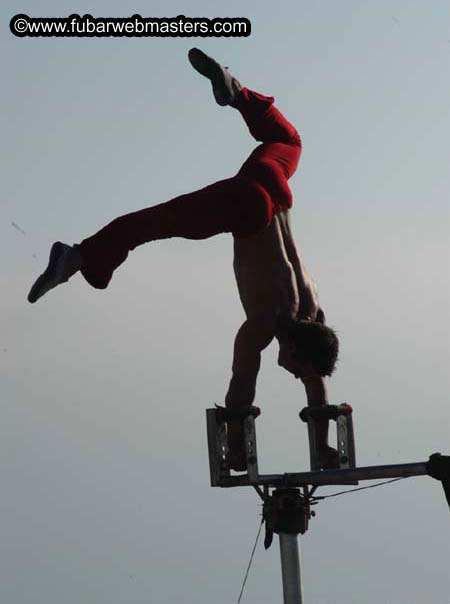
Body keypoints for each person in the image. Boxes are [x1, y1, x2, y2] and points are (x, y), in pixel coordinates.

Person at [28, 48, 339, 471]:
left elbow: (316, 379)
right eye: (295, 369)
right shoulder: (267, 322)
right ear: (297, 351)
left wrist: (322, 447)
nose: (291, 374)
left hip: (277, 190)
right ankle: (74, 258)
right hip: (246, 208)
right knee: (150, 223)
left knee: (288, 142)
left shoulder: (312, 309)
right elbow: (241, 386)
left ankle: (238, 93)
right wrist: (234, 447)